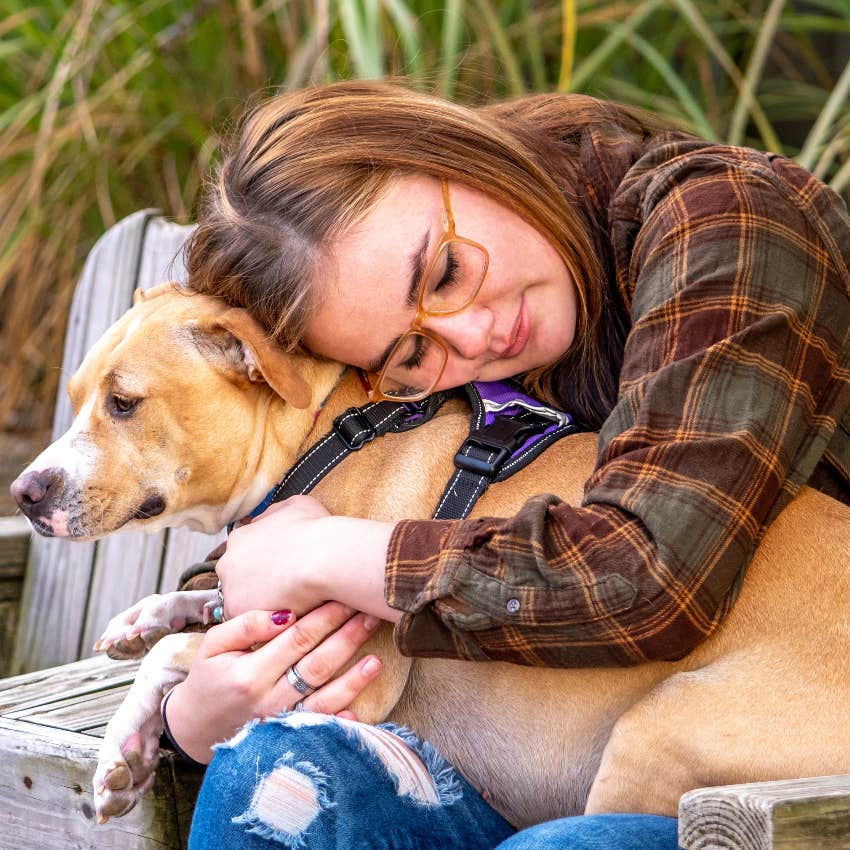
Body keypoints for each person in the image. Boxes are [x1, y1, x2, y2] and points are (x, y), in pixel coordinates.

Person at [163, 80, 850, 849]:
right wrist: (192, 708)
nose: (475, 333)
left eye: (446, 271)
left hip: (794, 766)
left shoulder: (728, 225)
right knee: (265, 776)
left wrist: (327, 554)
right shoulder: (452, 363)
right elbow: (290, 538)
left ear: (455, 153)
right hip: (566, 759)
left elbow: (649, 577)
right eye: (413, 351)